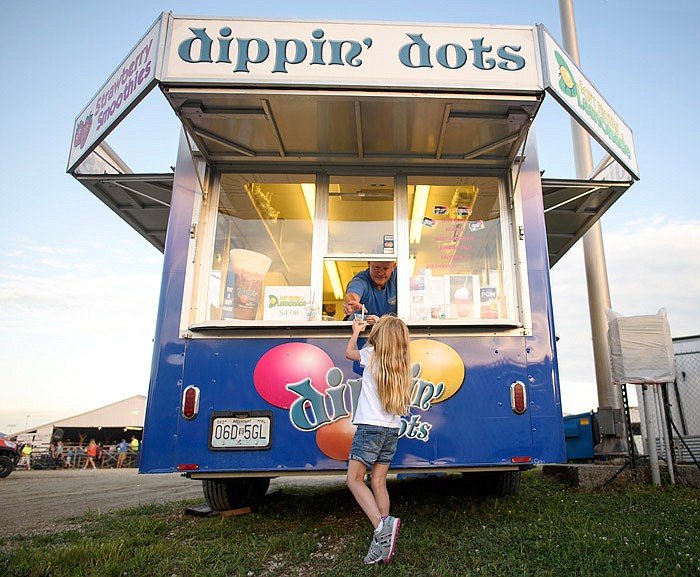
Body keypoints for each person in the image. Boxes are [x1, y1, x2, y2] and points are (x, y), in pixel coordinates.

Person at [344, 315, 412, 565]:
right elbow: (393, 331)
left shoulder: (370, 354)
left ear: (379, 336)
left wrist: (357, 330)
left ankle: (381, 528)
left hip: (370, 429)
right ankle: (382, 542)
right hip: (391, 430)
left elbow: (348, 352)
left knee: (353, 479)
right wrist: (383, 322)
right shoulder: (401, 363)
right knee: (379, 482)